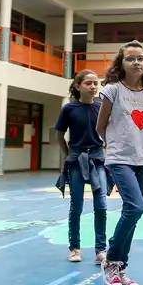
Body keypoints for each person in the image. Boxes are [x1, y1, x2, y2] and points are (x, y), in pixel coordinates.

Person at [97, 40, 143, 285]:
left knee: (133, 214)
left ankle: (120, 268)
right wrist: (112, 147)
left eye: (141, 58)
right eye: (130, 58)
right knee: (135, 208)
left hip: (142, 159)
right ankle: (112, 259)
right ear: (121, 64)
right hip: (119, 158)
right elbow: (100, 126)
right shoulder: (112, 90)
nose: (137, 62)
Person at [55, 69, 108, 265]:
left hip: (97, 159)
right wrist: (68, 153)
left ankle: (101, 250)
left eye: (95, 83)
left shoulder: (102, 106)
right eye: (88, 83)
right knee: (76, 205)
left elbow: (108, 131)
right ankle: (74, 248)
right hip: (77, 159)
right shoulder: (69, 109)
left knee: (101, 205)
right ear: (78, 86)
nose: (93, 86)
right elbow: (59, 134)